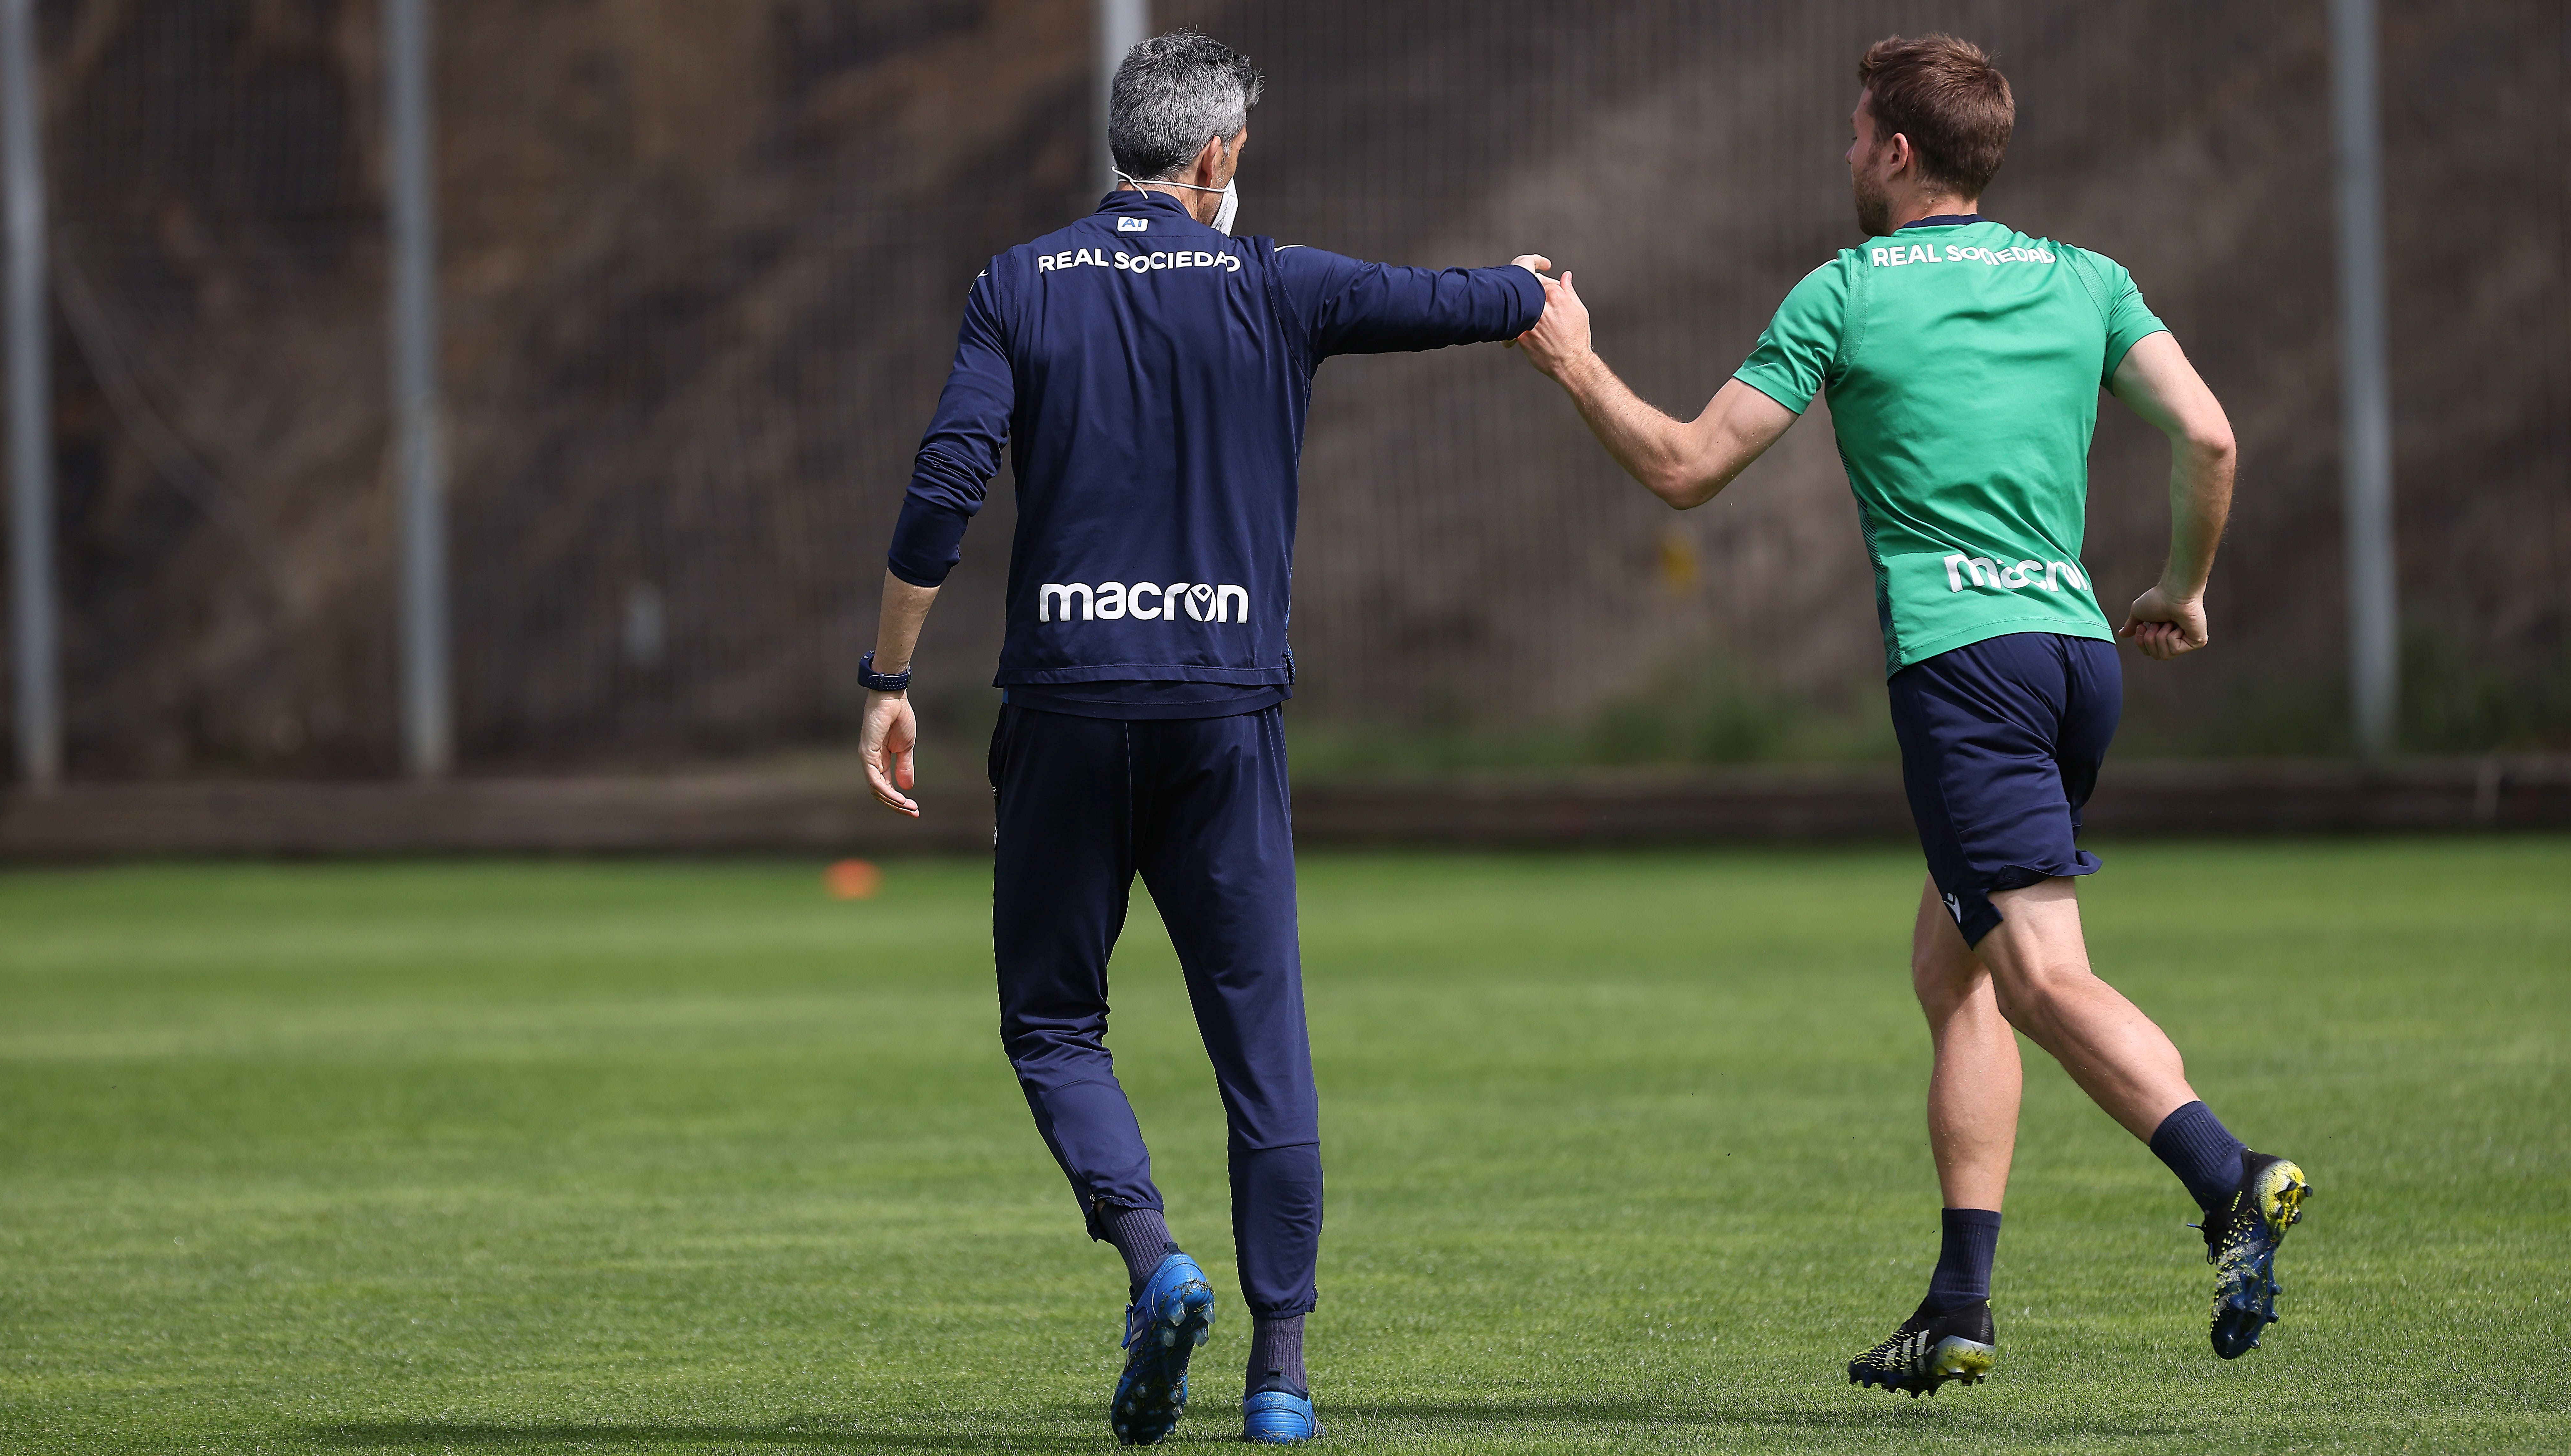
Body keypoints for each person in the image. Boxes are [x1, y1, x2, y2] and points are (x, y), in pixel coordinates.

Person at [1512, 33, 2308, 1396]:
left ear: (1893, 151)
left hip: (1965, 670)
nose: (1842, 153)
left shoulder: (1846, 293)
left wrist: (1570, 358)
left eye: (1850, 132)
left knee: (2038, 976)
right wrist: (2179, 589)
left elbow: (1686, 467)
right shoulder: (2085, 278)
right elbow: (2210, 438)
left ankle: (2226, 1177)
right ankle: (1956, 1305)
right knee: (1955, 971)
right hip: (2072, 660)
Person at [857, 30, 1547, 1446]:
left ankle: (1148, 1256)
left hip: (1062, 709)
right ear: (1218, 154)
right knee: (1260, 1046)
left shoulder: (1018, 281)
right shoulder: (1273, 282)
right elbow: (1439, 300)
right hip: (1222, 718)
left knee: (1053, 1022)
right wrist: (1528, 290)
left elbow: (943, 484)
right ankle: (1280, 1371)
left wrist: (886, 674)